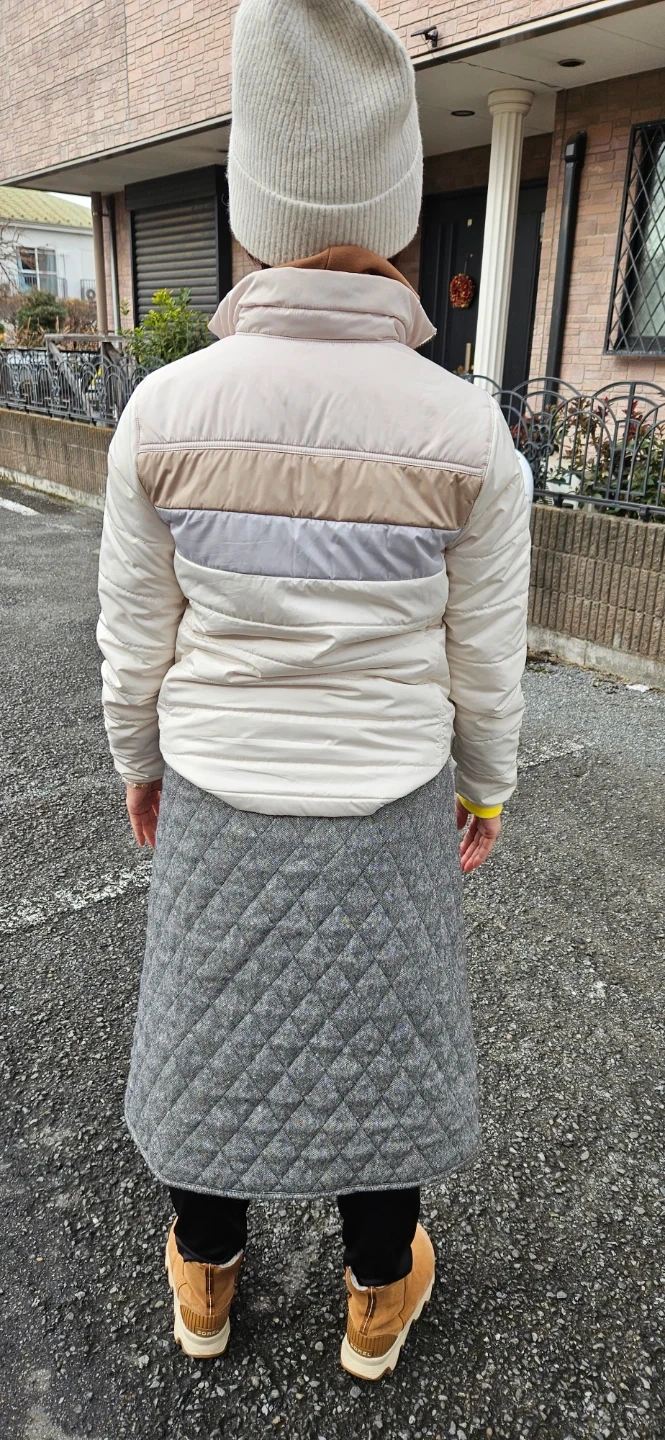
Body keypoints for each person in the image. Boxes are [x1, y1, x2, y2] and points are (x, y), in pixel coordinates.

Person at [97, 0, 530, 1382]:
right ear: (395, 206)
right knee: (378, 1051)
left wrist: (138, 759)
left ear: (253, 202)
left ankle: (206, 1285)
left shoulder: (165, 410)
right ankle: (374, 1298)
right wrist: (487, 785)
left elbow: (135, 633)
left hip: (219, 783)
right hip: (389, 790)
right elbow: (484, 651)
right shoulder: (466, 429)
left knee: (215, 1044)